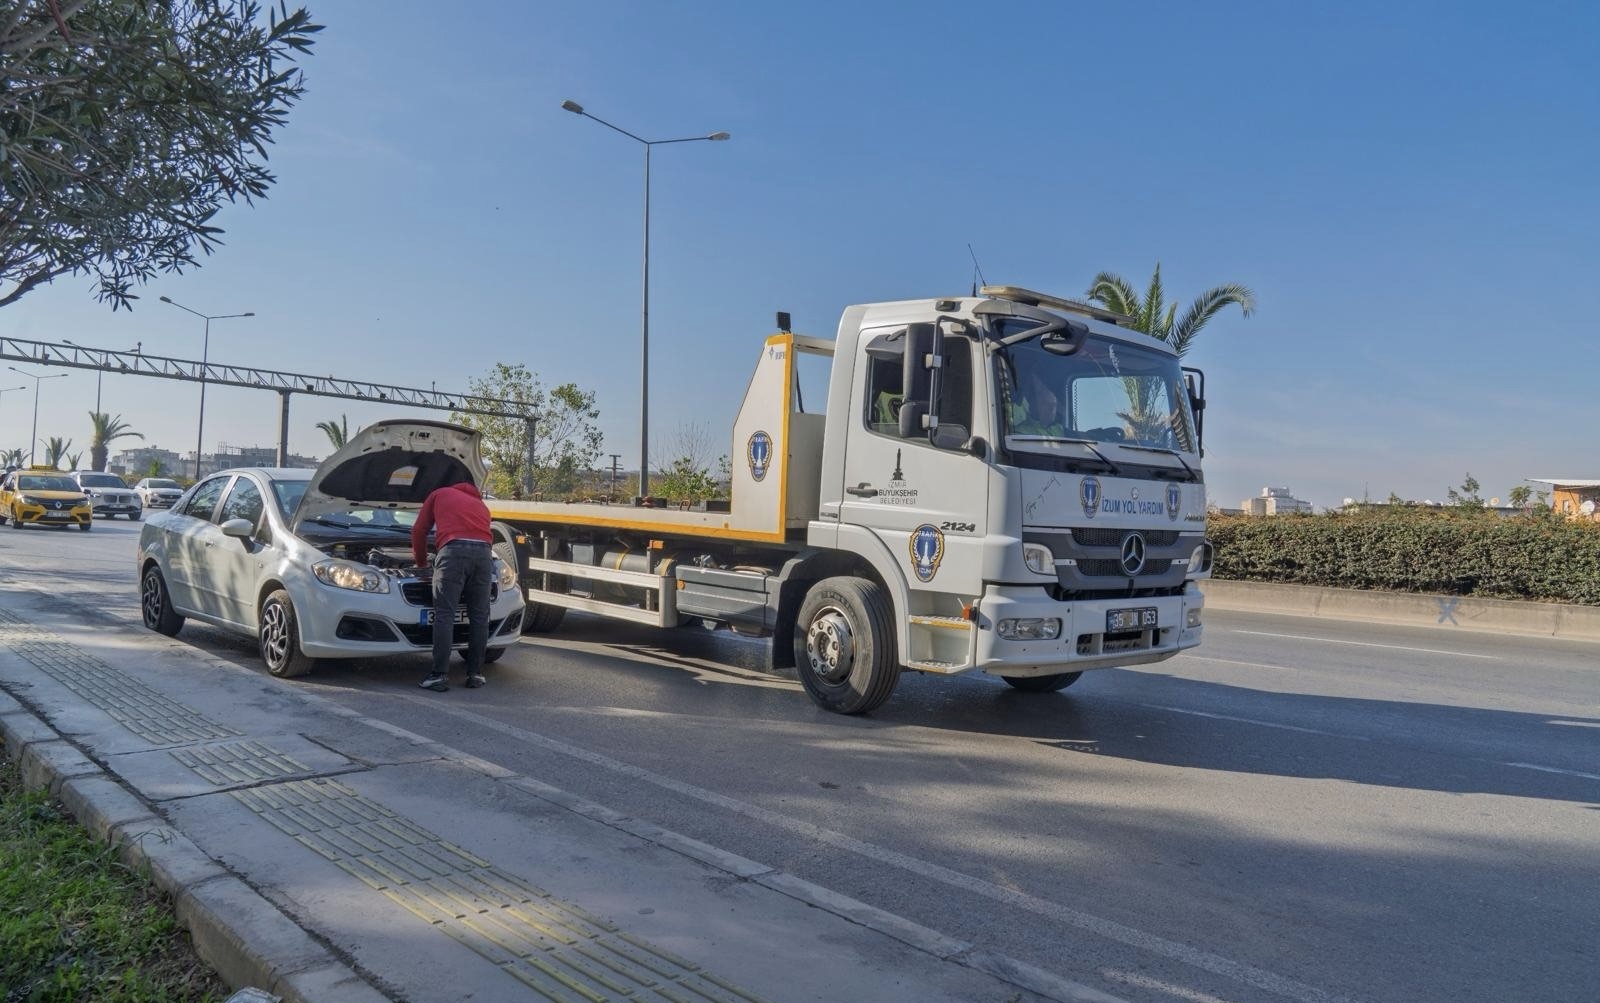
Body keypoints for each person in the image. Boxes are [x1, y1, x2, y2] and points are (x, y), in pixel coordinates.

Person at [411, 476, 495, 692]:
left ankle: (439, 675)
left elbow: (419, 530)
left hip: (453, 552)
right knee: (479, 615)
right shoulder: (481, 505)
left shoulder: (439, 494)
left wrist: (421, 563)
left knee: (445, 613)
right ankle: (475, 674)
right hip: (485, 555)